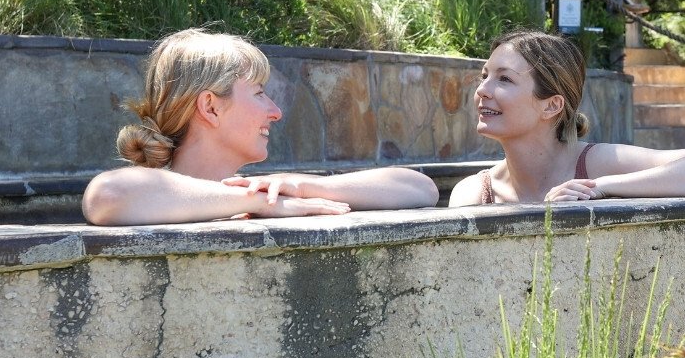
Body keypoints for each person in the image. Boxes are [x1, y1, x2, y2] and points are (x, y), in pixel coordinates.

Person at [82, 29, 438, 225]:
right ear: (210, 107)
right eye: (259, 93)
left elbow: (420, 188)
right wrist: (258, 202)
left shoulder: (273, 193)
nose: (276, 112)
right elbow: (106, 196)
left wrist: (301, 187)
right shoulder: (142, 195)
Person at [448, 30, 685, 206]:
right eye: (484, 76)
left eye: (504, 79)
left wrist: (600, 188)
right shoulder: (473, 194)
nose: (482, 90)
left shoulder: (594, 165)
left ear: (551, 106)